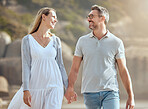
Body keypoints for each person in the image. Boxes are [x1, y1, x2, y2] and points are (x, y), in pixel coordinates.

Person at [65, 5, 135, 109]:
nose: (89, 19)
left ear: (102, 18)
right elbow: (75, 68)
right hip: (89, 92)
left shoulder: (116, 42)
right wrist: (70, 88)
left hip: (110, 91)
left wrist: (131, 95)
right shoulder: (82, 41)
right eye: (88, 16)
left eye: (92, 16)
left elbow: (123, 70)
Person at [8, 7, 68, 109]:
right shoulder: (27, 40)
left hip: (54, 86)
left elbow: (60, 65)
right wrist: (26, 89)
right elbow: (26, 66)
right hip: (34, 86)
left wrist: (68, 87)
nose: (56, 20)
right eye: (53, 17)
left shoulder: (56, 40)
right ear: (43, 17)